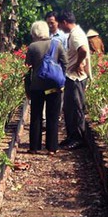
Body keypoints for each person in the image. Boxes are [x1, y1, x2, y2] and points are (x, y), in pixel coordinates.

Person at [25, 21, 67, 155]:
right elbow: (65, 63)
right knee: (53, 116)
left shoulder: (32, 47)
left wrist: (27, 87)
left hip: (37, 86)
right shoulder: (57, 44)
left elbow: (27, 68)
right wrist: (61, 79)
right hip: (53, 86)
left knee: (36, 116)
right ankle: (52, 147)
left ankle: (34, 146)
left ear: (34, 32)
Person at [58, 10, 92, 150]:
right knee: (69, 108)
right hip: (72, 77)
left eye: (60, 24)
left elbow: (83, 50)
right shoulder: (75, 33)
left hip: (76, 77)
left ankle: (77, 138)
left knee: (76, 108)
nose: (60, 28)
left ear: (65, 22)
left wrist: (78, 64)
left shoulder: (76, 34)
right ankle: (72, 136)